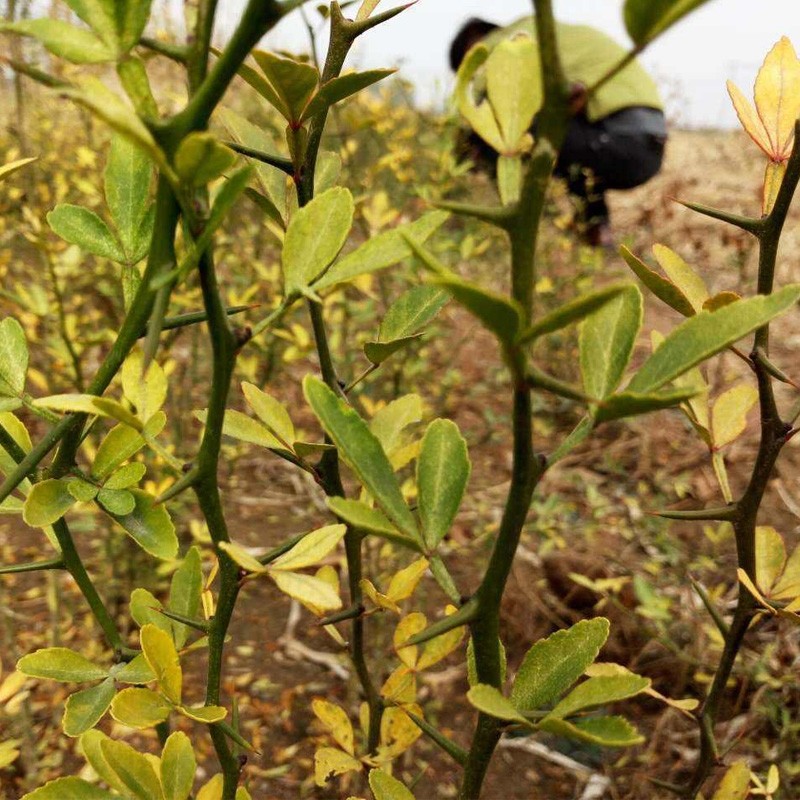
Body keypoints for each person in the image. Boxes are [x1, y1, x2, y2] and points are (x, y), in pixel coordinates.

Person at [449, 17, 668, 248]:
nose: (471, 74)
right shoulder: (547, 32)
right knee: (569, 159)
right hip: (647, 145)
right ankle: (597, 236)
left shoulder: (507, 42)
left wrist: (455, 164)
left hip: (620, 137)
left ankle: (532, 227)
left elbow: (476, 105)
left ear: (472, 44)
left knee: (497, 136)